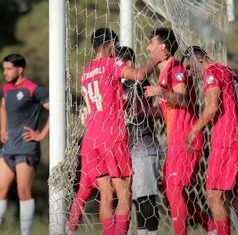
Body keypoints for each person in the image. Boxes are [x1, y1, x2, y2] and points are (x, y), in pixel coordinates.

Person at [67, 28, 167, 235]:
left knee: (105, 193)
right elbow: (139, 75)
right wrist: (155, 60)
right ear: (112, 46)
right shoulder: (111, 64)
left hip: (91, 137)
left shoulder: (87, 71)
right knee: (123, 193)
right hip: (111, 135)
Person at [144, 28, 216, 235]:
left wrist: (161, 92)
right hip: (177, 139)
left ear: (163, 47)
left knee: (175, 190)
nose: (148, 48)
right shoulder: (165, 73)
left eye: (152, 43)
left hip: (186, 138)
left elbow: (182, 99)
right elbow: (170, 107)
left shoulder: (176, 69)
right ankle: (212, 229)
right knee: (171, 188)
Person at [185, 46, 238, 235]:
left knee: (213, 195)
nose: (189, 73)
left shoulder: (211, 73)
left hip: (225, 140)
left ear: (199, 58)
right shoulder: (230, 72)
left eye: (189, 67)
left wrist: (194, 130)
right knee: (231, 195)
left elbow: (212, 107)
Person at [0, 54, 49, 235]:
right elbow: (3, 107)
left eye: (8, 69)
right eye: (4, 69)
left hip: (26, 149)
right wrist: (2, 129)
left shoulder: (33, 89)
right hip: (8, 148)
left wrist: (41, 134)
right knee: (1, 191)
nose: (5, 72)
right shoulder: (6, 89)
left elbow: (55, 107)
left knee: (23, 191)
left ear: (20, 69)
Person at [116, 46, 161, 235]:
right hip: (125, 148)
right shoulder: (115, 84)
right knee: (133, 198)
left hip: (143, 146)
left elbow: (156, 111)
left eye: (116, 62)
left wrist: (140, 111)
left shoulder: (139, 84)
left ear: (126, 63)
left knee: (146, 198)